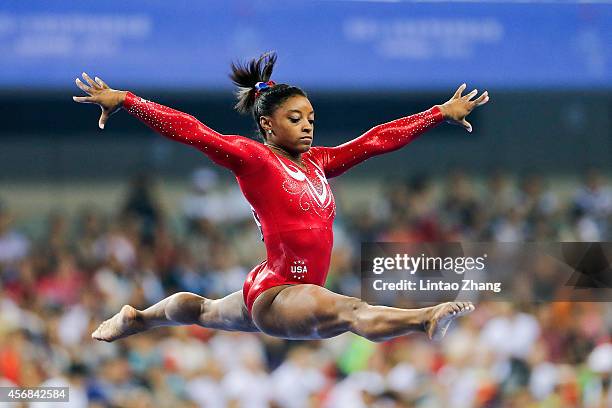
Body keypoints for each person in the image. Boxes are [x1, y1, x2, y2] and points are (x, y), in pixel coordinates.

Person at [73, 52, 489, 343]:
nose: (307, 127)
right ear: (268, 125)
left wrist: (436, 113)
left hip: (275, 284)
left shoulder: (317, 163)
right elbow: (193, 130)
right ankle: (425, 318)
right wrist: (129, 101)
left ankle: (139, 318)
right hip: (280, 291)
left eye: (311, 118)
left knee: (203, 311)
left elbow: (376, 140)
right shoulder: (254, 159)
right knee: (352, 312)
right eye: (295, 119)